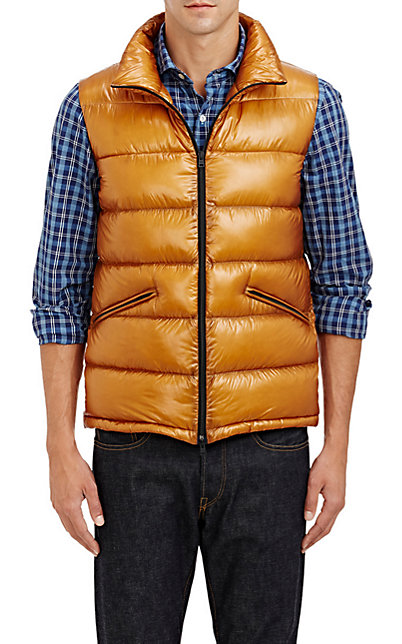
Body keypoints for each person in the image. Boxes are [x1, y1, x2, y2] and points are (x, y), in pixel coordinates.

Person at [30, 2, 373, 642]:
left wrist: (339, 445)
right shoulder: (89, 110)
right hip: (134, 447)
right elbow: (58, 290)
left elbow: (344, 282)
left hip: (268, 444)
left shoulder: (312, 107)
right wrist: (58, 446)